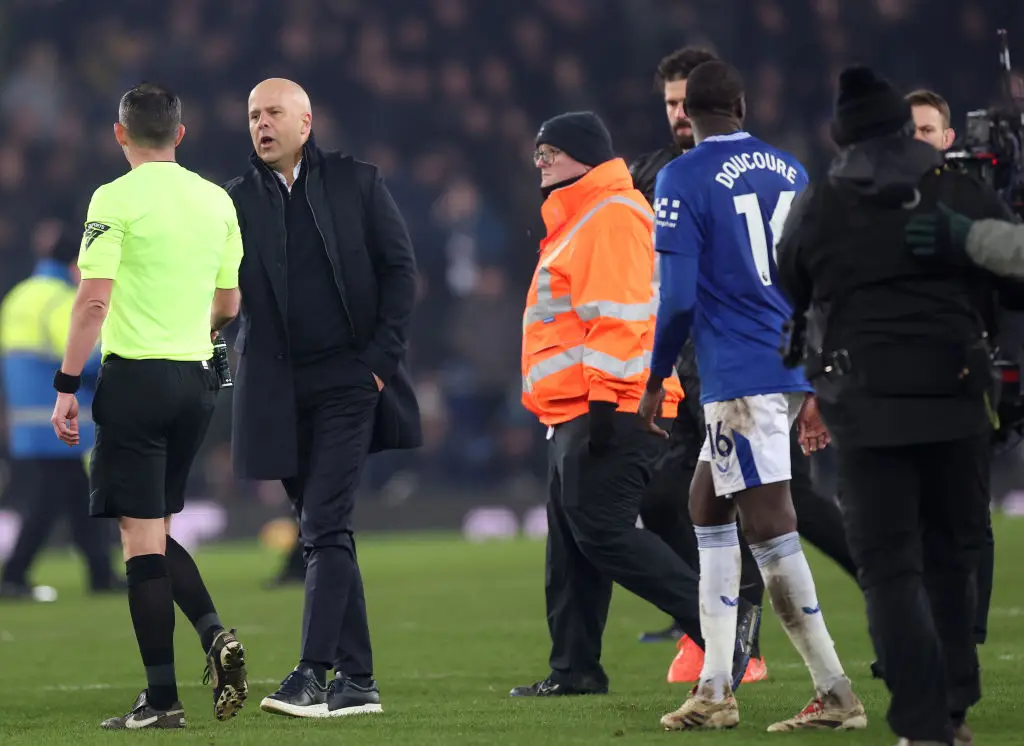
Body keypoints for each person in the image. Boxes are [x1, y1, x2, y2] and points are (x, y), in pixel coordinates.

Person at [777, 66, 1013, 746]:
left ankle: (920, 725)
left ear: (842, 136)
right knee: (952, 556)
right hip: (956, 401)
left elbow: (788, 283)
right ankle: (954, 708)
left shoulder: (821, 204)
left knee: (890, 570)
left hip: (866, 409)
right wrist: (961, 245)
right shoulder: (956, 190)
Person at [641, 60, 866, 732]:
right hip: (787, 361)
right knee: (705, 503)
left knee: (769, 521)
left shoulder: (682, 177)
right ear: (740, 104)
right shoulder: (790, 170)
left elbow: (677, 298)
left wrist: (655, 380)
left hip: (739, 375)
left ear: (692, 113)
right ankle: (715, 687)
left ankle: (835, 692)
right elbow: (816, 280)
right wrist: (815, 376)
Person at [511, 111, 756, 699]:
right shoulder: (586, 217)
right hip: (577, 409)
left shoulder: (611, 214)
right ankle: (575, 669)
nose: (540, 162)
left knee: (602, 534)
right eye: (538, 153)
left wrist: (602, 406)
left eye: (551, 152)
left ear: (584, 155)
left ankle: (723, 619)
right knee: (572, 548)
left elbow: (618, 320)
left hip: (612, 407)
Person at [49, 82, 248, 729]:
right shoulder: (216, 200)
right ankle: (215, 634)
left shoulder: (113, 198)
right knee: (153, 528)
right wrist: (202, 333)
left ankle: (162, 700)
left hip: (137, 381)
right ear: (180, 135)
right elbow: (229, 306)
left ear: (120, 134)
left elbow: (94, 300)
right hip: (196, 385)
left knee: (139, 541)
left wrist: (67, 382)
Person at [224, 78, 421, 718]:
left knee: (323, 524)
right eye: (254, 115)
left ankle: (313, 672)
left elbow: (400, 271)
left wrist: (378, 366)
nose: (262, 124)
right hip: (278, 390)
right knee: (326, 530)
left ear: (306, 123)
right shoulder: (232, 202)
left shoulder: (356, 181)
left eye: (274, 112)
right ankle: (358, 681)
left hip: (348, 382)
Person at [0, 220, 122, 599]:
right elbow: (81, 358)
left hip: (28, 421)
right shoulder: (60, 299)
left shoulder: (20, 295)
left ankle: (100, 574)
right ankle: (13, 576)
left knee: (75, 497)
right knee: (50, 503)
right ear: (76, 263)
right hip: (60, 420)